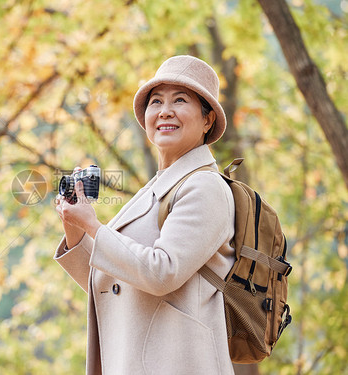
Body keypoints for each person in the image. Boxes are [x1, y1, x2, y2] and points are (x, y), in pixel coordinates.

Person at [54, 55, 236, 374]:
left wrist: (94, 225)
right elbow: (113, 283)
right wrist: (75, 227)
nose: (165, 110)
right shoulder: (154, 189)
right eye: (156, 101)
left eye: (180, 100)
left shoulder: (205, 186)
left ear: (207, 120)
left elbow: (161, 273)